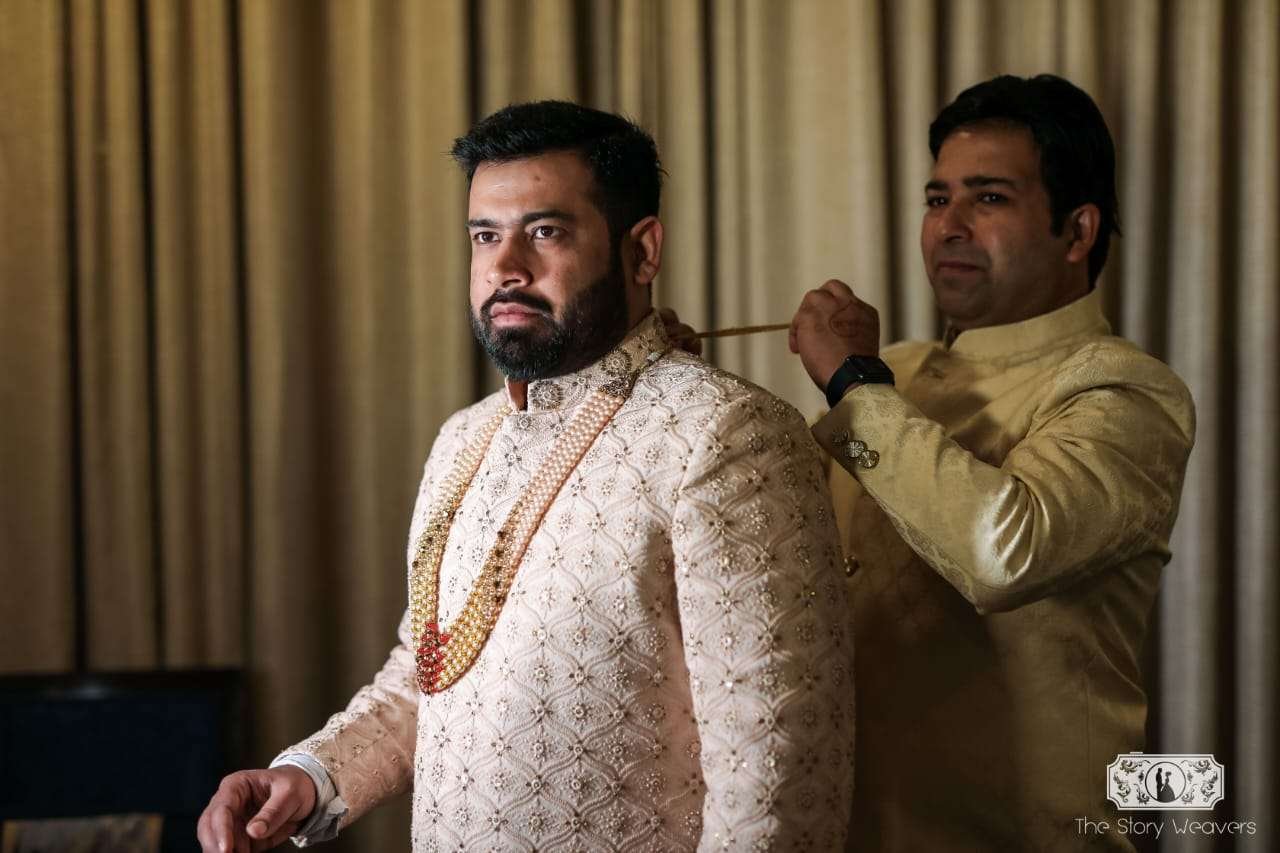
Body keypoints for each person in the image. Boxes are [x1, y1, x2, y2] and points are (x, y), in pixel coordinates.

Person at [197, 101, 854, 852]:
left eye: (545, 232)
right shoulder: (464, 438)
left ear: (642, 251)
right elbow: (434, 668)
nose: (505, 268)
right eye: (485, 235)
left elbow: (776, 779)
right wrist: (310, 775)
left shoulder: (727, 433)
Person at [786, 74, 1195, 850]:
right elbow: (780, 524)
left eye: (990, 198)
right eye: (937, 198)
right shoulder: (898, 373)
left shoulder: (1125, 390)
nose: (949, 226)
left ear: (1077, 232)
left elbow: (1004, 551)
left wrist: (854, 384)